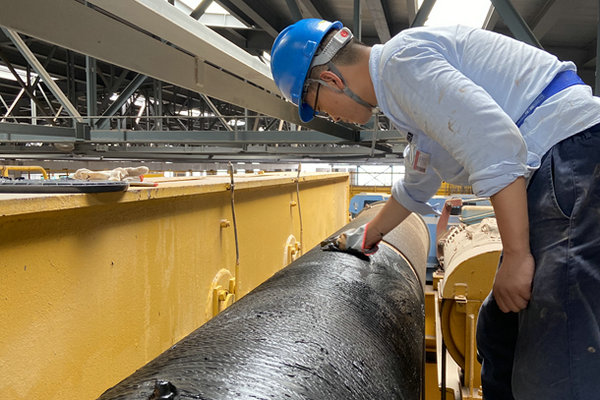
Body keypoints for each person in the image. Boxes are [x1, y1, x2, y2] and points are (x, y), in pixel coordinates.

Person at [270, 19, 600, 399]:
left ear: (331, 80)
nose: (332, 117)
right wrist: (367, 236)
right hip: (558, 167)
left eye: (319, 107)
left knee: (559, 361)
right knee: (498, 329)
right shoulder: (402, 92)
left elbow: (495, 145)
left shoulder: (401, 65)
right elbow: (418, 180)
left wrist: (515, 255)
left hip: (573, 157)